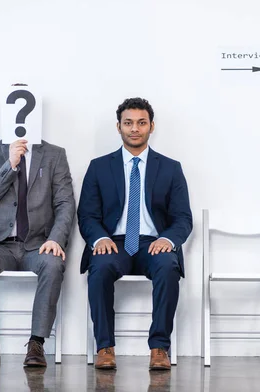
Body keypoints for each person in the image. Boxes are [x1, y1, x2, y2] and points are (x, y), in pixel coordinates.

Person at [78, 97, 193, 370]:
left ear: (151, 126)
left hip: (153, 243)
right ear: (118, 127)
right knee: (101, 268)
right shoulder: (98, 167)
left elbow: (183, 218)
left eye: (141, 123)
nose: (134, 129)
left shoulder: (170, 168)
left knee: (168, 267)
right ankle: (105, 347)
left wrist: (167, 239)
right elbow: (87, 215)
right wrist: (99, 238)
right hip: (113, 242)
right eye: (128, 123)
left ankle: (159, 348)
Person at [0, 112, 75, 367]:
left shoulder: (55, 154)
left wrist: (56, 239)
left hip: (38, 244)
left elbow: (65, 203)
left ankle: (37, 344)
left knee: (53, 264)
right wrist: (10, 164)